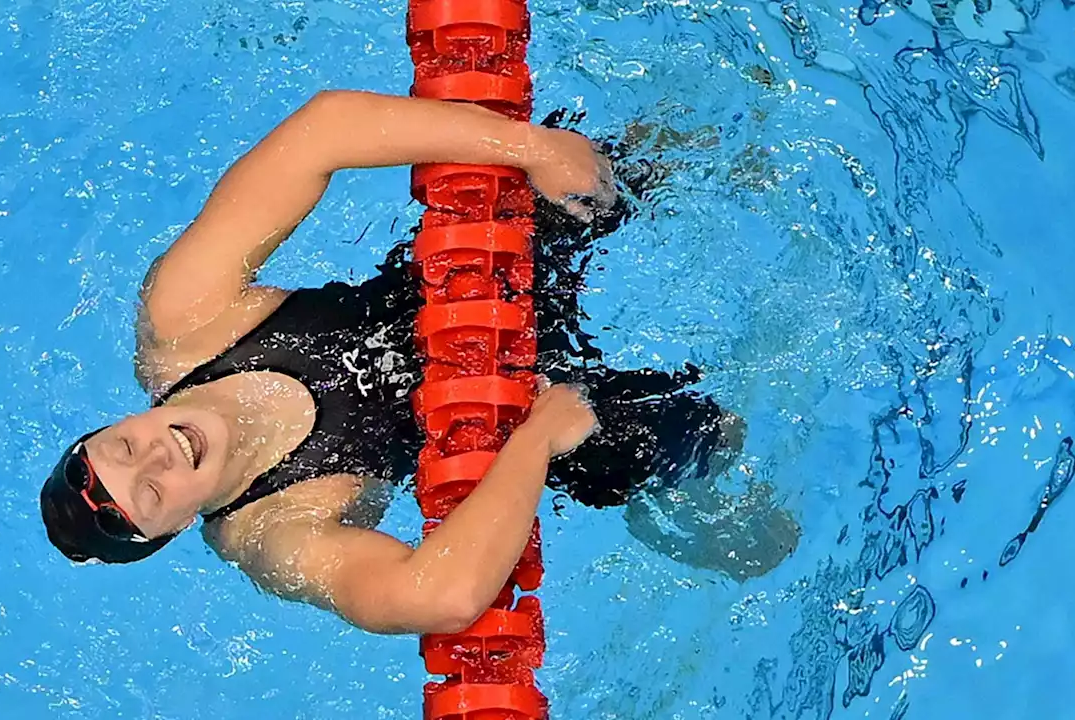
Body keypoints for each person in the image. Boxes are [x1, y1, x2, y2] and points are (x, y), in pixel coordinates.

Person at [39, 91, 799, 635]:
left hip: (467, 273)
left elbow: (322, 131)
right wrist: (536, 441)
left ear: (117, 418)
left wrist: (529, 147)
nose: (158, 458)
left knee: (632, 158)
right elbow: (437, 596)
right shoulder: (273, 534)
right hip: (510, 415)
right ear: (172, 530)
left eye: (124, 446)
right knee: (713, 438)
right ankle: (674, 513)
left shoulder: (186, 320)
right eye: (151, 493)